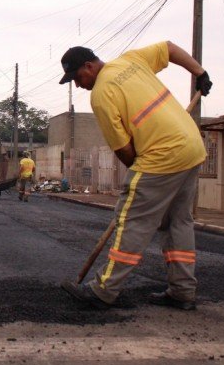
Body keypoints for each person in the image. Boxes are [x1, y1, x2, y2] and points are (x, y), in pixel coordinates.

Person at [58, 41, 211, 312]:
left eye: (78, 78)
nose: (79, 86)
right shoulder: (131, 60)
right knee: (178, 222)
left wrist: (138, 176)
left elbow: (124, 151)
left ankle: (103, 290)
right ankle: (183, 291)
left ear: (90, 66)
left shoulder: (102, 93)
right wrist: (200, 73)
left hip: (161, 156)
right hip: (192, 148)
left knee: (131, 222)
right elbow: (169, 48)